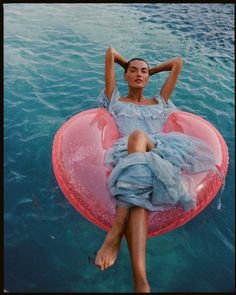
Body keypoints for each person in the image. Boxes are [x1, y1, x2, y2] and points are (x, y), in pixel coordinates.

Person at [94, 48, 217, 293]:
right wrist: (123, 62)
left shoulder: (160, 101)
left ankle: (116, 230)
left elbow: (177, 63)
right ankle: (141, 280)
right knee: (140, 202)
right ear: (125, 76)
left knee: (139, 137)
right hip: (130, 157)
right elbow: (110, 54)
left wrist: (151, 69)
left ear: (149, 76)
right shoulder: (115, 101)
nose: (139, 74)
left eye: (143, 71)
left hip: (160, 151)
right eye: (133, 71)